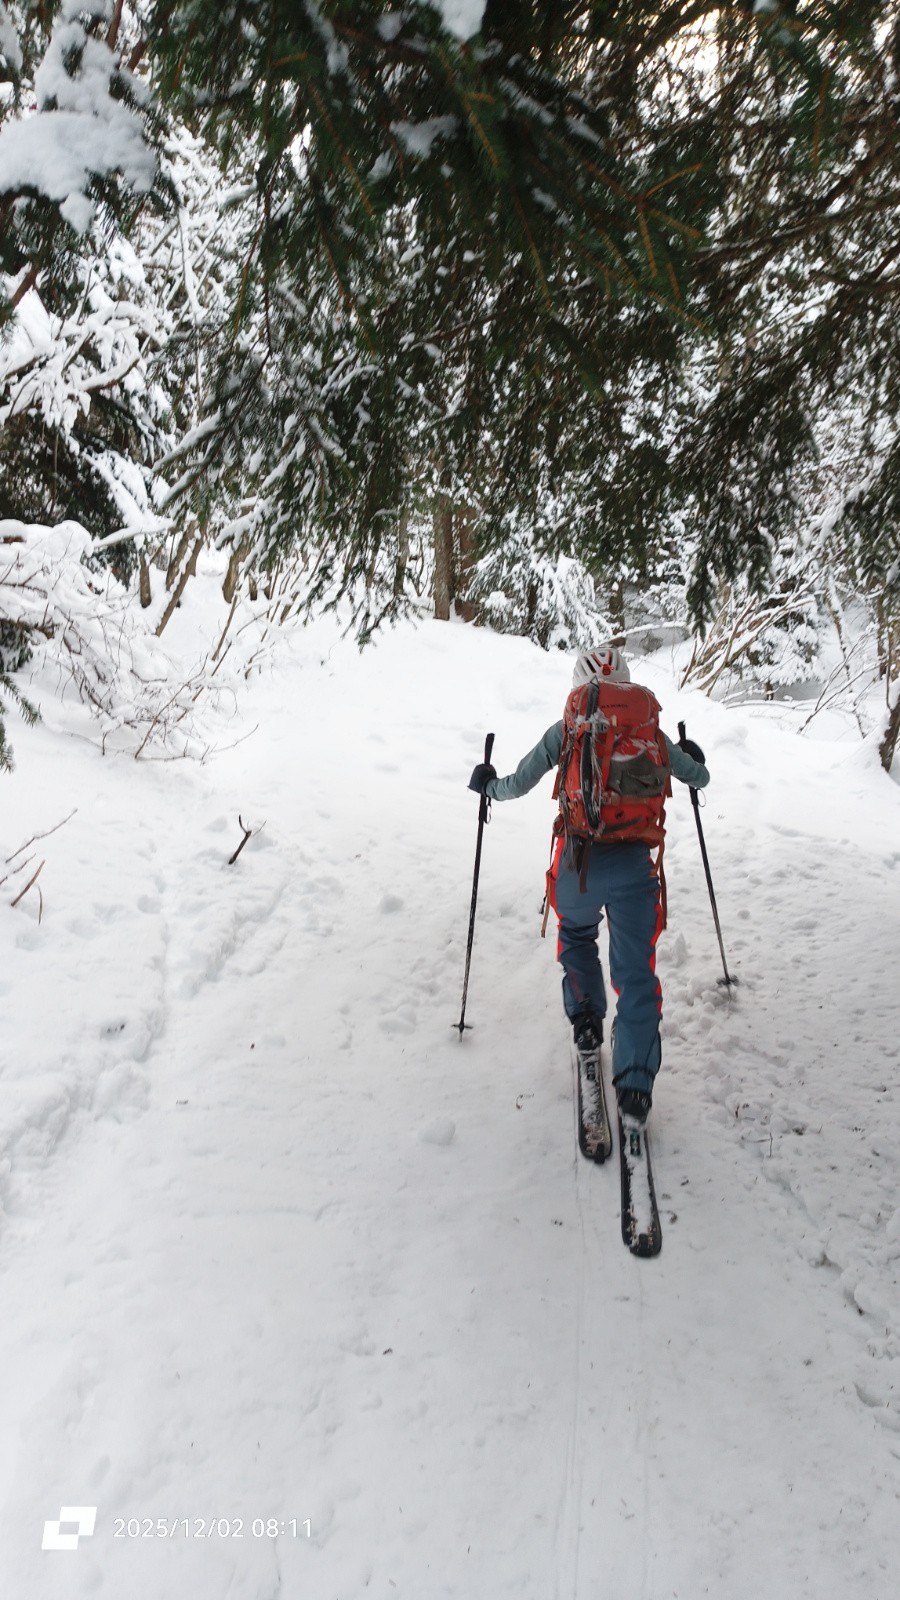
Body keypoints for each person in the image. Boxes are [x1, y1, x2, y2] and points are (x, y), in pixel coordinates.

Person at [468, 644, 709, 1123]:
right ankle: (636, 1084)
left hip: (578, 865)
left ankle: (584, 1020)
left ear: (580, 688)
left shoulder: (567, 730)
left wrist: (487, 784)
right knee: (637, 972)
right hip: (636, 871)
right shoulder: (650, 732)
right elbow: (699, 778)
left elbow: (517, 784)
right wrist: (691, 758)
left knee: (577, 935)